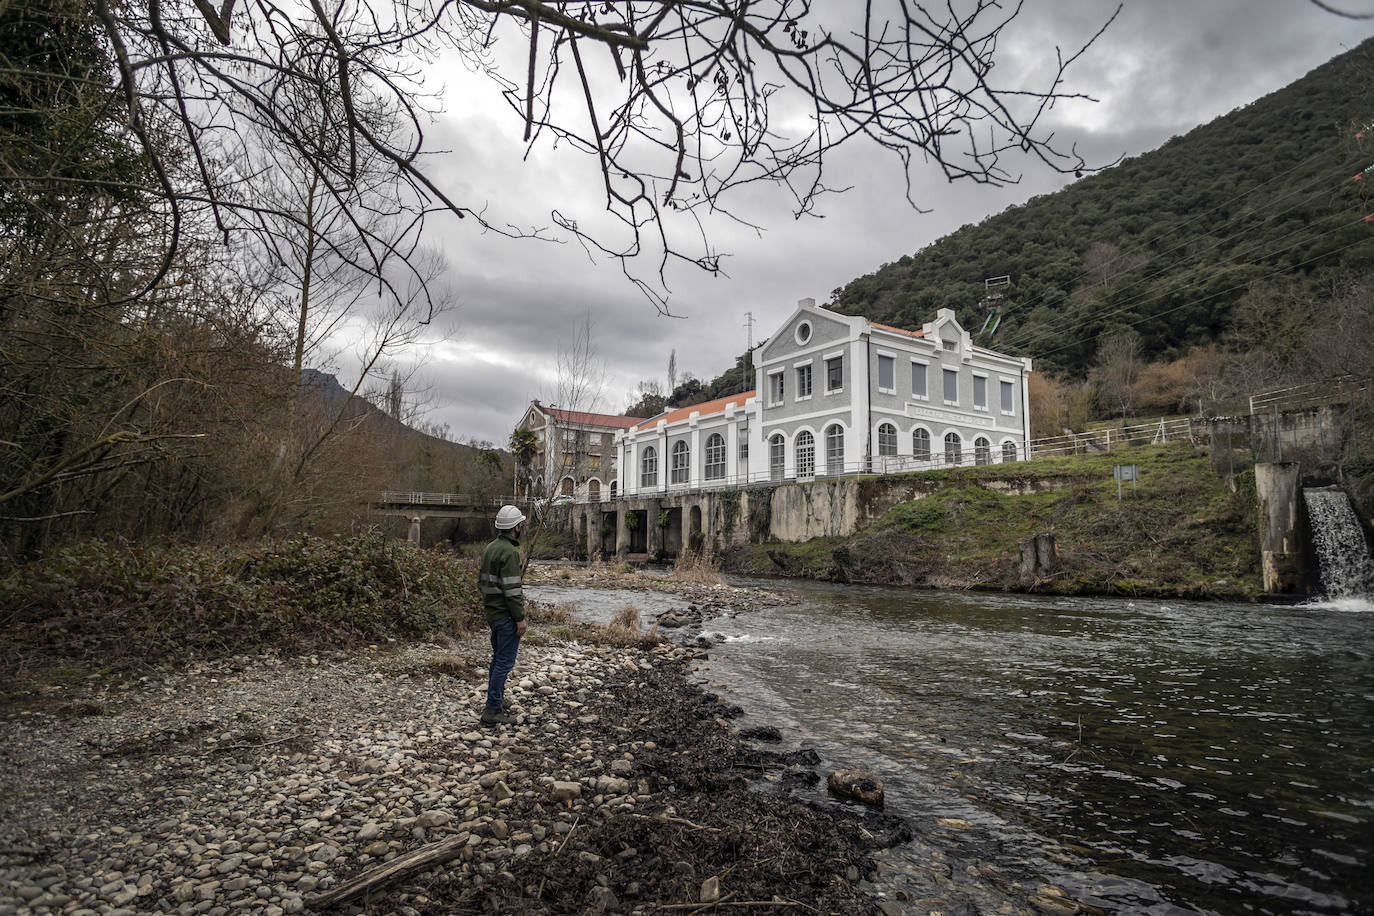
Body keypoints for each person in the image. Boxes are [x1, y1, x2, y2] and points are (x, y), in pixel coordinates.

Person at [478, 504, 528, 726]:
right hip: (506, 616)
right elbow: (512, 591)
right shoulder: (510, 552)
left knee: (497, 659)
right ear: (516, 526)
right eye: (521, 524)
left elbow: (482, 582)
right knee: (504, 663)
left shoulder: (490, 547)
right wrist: (520, 618)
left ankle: (495, 700)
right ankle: (492, 710)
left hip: (493, 613)